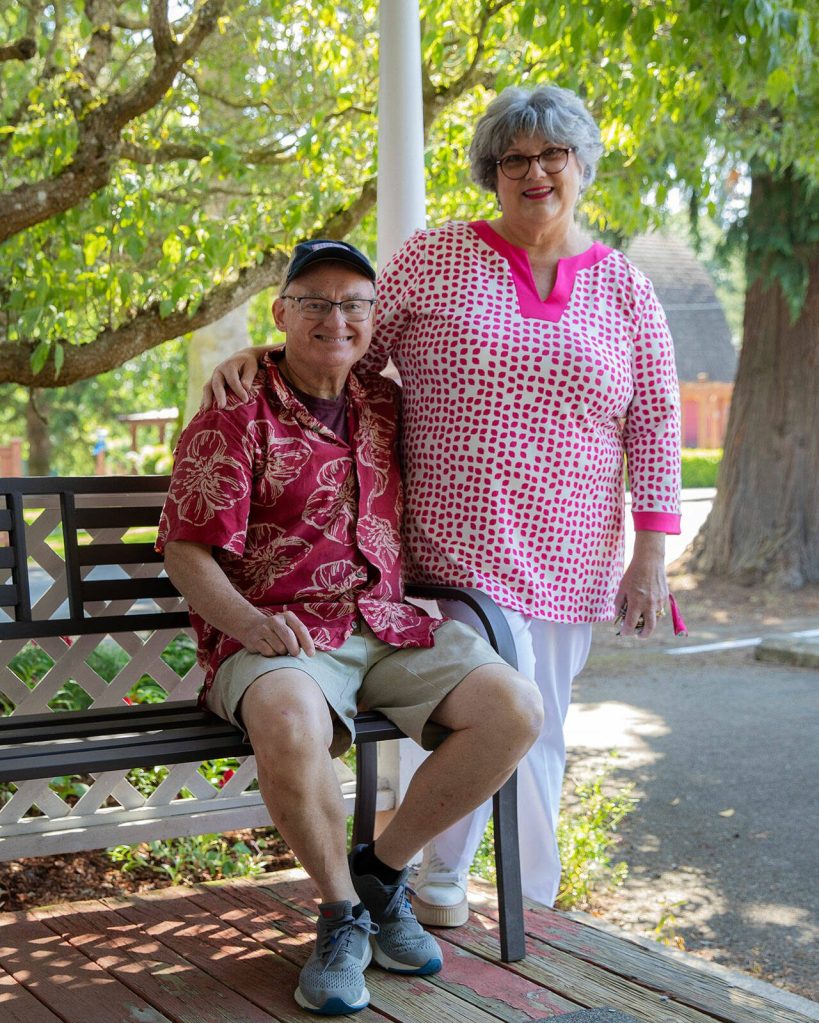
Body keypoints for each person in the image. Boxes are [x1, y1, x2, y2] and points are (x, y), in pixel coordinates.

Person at [204, 84, 684, 928]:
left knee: (545, 719)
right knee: (500, 702)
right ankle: (456, 883)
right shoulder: (434, 258)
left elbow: (653, 420)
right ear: (489, 173)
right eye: (512, 159)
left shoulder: (627, 290)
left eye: (551, 155)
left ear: (580, 164)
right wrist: (260, 351)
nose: (533, 173)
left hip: (572, 543)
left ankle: (499, 890)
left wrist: (649, 552)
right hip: (450, 538)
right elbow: (342, 338)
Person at [157, 238, 542, 1015]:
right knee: (291, 719)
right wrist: (250, 623)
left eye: (354, 304)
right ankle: (339, 915)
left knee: (514, 710)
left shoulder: (381, 399)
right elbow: (186, 552)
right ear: (282, 312)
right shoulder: (236, 413)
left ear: (373, 317)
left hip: (385, 622)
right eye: (315, 303)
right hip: (281, 636)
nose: (337, 318)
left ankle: (380, 873)